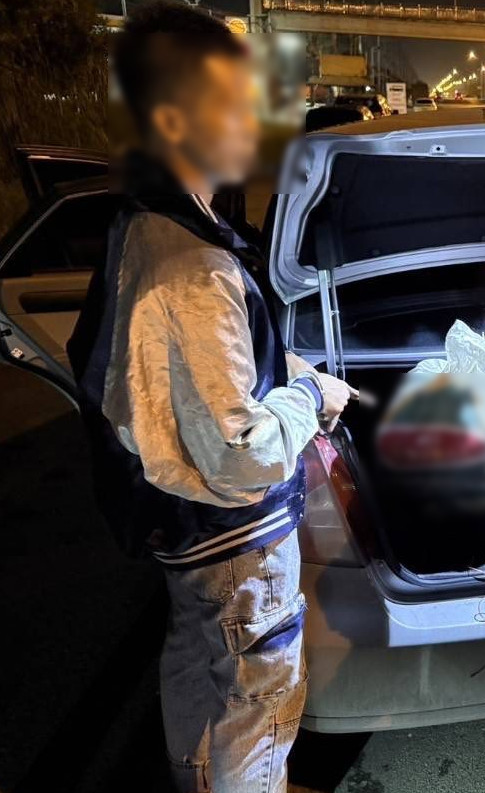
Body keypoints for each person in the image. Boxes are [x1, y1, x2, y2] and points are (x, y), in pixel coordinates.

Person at [66, 3, 357, 791]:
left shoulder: (146, 225)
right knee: (257, 706)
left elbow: (198, 366)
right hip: (236, 544)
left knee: (198, 673)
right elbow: (241, 453)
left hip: (184, 531)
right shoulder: (196, 267)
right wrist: (310, 394)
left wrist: (286, 369)